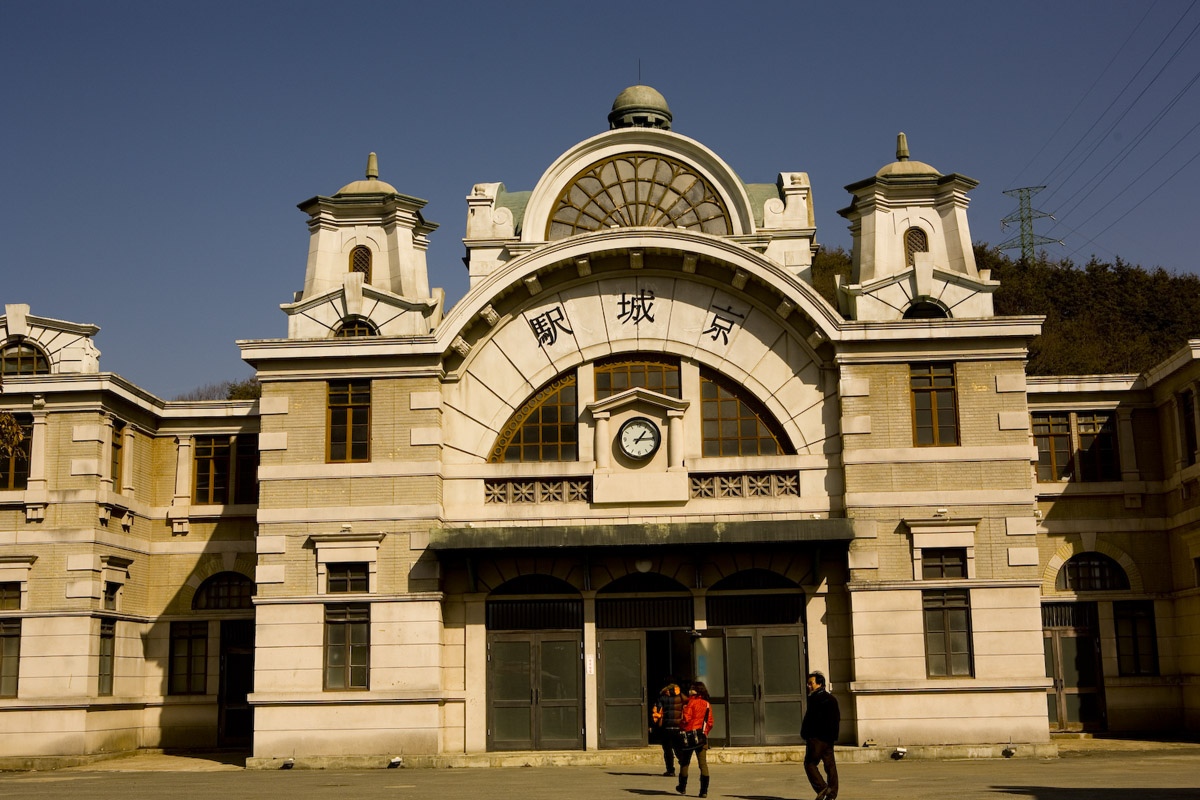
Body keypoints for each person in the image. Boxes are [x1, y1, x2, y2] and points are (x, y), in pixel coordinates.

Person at [801, 671, 840, 800]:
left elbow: (810, 720)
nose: (809, 686)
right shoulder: (831, 698)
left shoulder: (815, 699)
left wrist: (806, 734)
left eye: (811, 683)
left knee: (810, 764)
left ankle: (822, 787)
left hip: (817, 738)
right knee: (830, 766)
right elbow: (837, 719)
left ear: (819, 684)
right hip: (829, 739)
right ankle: (832, 794)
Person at [675, 681, 715, 797]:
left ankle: (682, 787)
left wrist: (681, 727)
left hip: (688, 737)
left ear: (696, 691)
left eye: (692, 689)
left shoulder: (690, 703)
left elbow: (686, 719)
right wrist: (704, 732)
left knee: (685, 762)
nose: (689, 691)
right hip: (701, 737)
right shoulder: (707, 704)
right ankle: (704, 791)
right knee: (703, 764)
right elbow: (710, 722)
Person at [651, 679, 685, 777]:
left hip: (666, 728)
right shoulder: (682, 697)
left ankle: (670, 770)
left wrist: (654, 724)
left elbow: (656, 712)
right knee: (679, 749)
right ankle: (684, 767)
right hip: (678, 727)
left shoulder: (662, 698)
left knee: (668, 750)